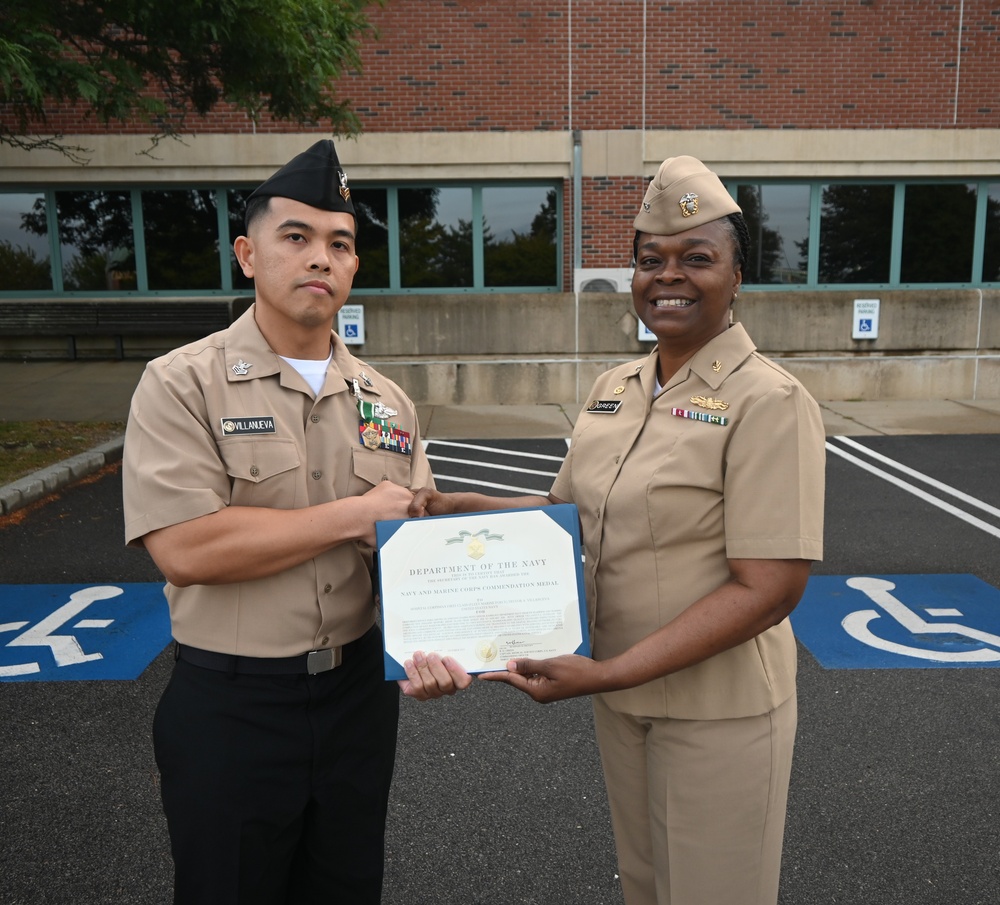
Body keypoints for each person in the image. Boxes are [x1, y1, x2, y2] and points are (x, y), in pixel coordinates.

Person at [409, 155, 826, 905]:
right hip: (623, 702)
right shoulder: (616, 390)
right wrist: (460, 508)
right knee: (647, 887)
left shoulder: (769, 401)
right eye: (649, 260)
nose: (668, 276)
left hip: (717, 710)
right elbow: (568, 517)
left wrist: (605, 672)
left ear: (738, 277)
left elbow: (770, 588)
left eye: (697, 258)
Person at [122, 139, 471, 905]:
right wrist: (352, 514)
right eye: (296, 237)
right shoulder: (183, 383)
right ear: (247, 254)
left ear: (353, 267)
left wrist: (447, 639)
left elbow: (411, 550)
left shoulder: (387, 400)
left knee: (347, 888)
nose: (321, 257)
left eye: (339, 243)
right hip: (232, 707)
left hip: (357, 704)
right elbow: (185, 547)